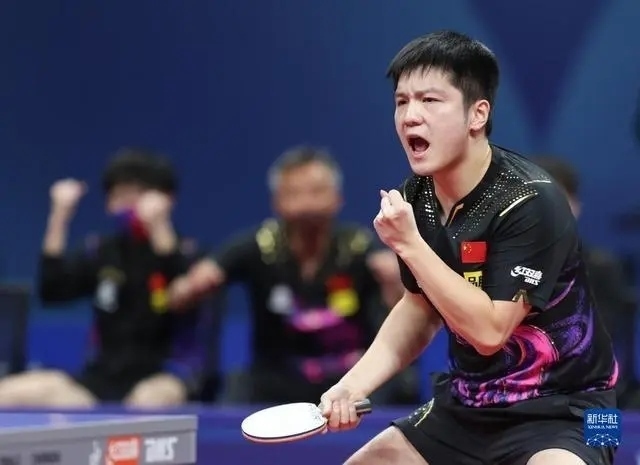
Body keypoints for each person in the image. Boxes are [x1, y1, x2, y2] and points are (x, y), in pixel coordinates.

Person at [318, 31, 619, 465]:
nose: (410, 116)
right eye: (402, 101)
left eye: (429, 100)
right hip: (469, 405)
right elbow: (419, 307)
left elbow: (489, 333)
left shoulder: (533, 200)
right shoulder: (417, 195)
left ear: (477, 114)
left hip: (578, 408)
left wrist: (410, 244)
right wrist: (352, 386)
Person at [170, 146, 410, 405]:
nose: (306, 203)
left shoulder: (359, 246)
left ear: (337, 198)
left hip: (348, 376)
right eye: (295, 193)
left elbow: (404, 307)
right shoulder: (257, 245)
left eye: (316, 191)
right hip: (274, 378)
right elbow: (180, 295)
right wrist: (192, 287)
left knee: (399, 387)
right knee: (236, 392)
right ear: (276, 201)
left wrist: (394, 283)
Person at [0, 148, 207, 407]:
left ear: (166, 199)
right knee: (10, 393)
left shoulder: (191, 255)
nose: (128, 204)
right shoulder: (100, 252)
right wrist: (59, 216)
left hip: (165, 375)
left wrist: (160, 229)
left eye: (137, 193)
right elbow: (52, 290)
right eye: (119, 195)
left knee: (148, 401)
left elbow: (183, 294)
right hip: (99, 381)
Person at [533, 155, 639, 410]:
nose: (551, 211)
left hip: (592, 396)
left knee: (602, 433)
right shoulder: (503, 268)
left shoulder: (602, 267)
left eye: (559, 199)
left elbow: (605, 339)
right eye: (538, 201)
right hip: (523, 401)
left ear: (576, 205)